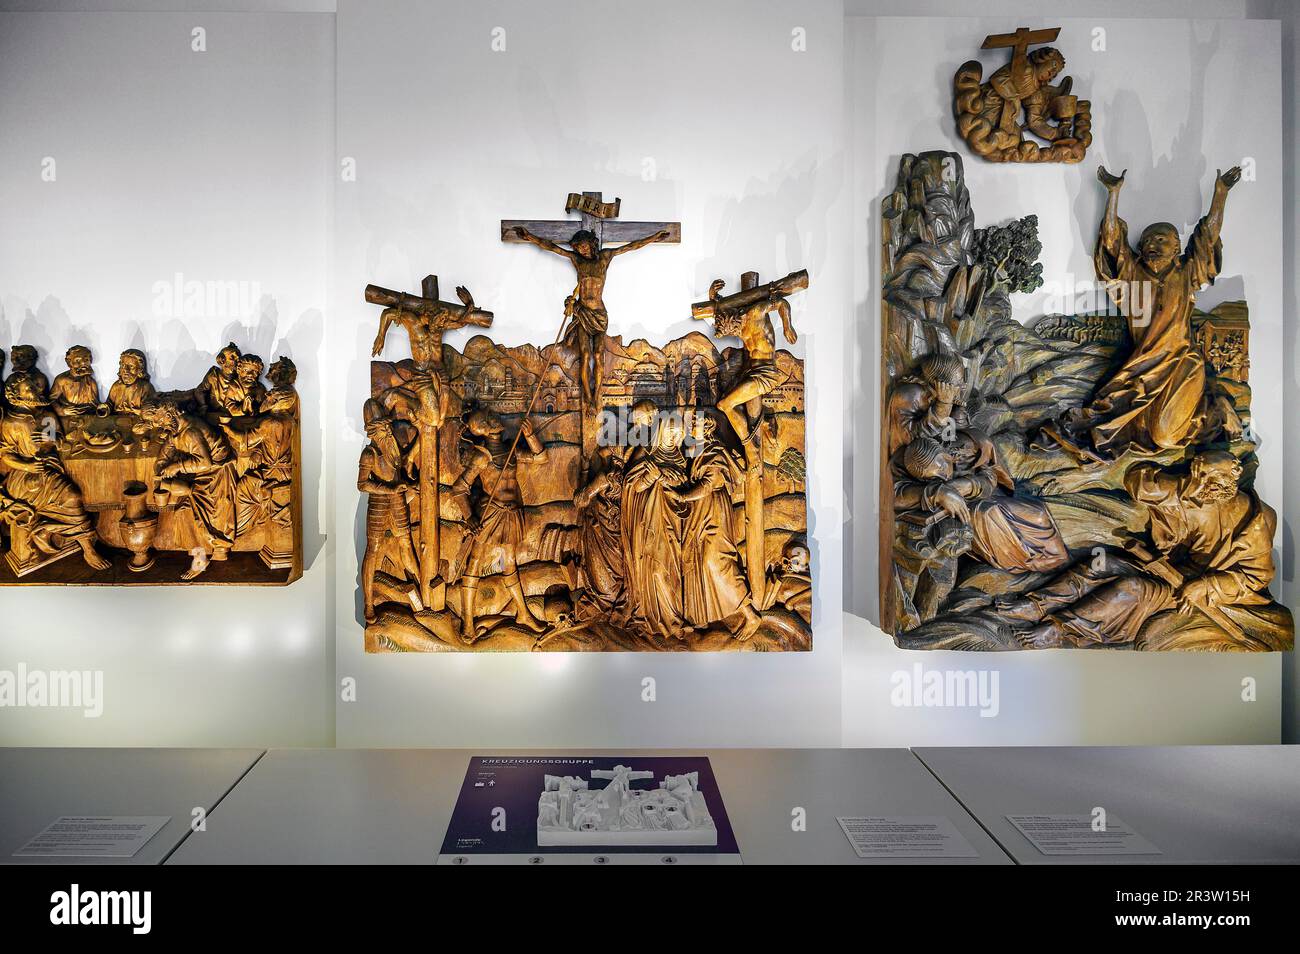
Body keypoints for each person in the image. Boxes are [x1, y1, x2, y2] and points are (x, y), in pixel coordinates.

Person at [1012, 452, 1286, 649]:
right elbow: (1139, 483)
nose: (1194, 483)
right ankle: (1037, 604)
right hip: (1171, 571)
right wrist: (1176, 487)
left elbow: (1256, 577)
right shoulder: (1189, 494)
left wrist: (1206, 586)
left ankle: (1059, 629)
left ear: (1219, 484)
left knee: (1133, 589)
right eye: (1193, 476)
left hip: (1196, 592)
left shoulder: (1258, 521)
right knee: (1103, 562)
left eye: (1200, 478)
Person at [1062, 166, 1241, 456]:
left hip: (1182, 362)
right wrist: (1113, 195)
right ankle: (1209, 408)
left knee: (1166, 438)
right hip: (1143, 367)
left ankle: (1215, 408)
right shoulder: (1132, 276)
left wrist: (1220, 193)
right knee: (1109, 422)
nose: (1152, 245)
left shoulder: (1186, 274)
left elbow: (1208, 237)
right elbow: (1112, 241)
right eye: (1147, 241)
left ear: (1176, 247)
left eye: (1161, 239)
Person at [511, 225, 671, 401]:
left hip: (599, 315)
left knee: (598, 355)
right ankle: (587, 396)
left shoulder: (605, 258)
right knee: (585, 355)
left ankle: (597, 396)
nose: (582, 250)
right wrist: (530, 236)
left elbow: (631, 246)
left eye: (584, 246)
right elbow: (552, 247)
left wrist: (654, 237)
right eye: (578, 248)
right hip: (582, 313)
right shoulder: (577, 260)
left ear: (591, 243)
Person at [449, 410, 548, 643]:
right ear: (485, 427)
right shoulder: (482, 457)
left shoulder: (511, 450)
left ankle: (523, 614)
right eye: (492, 418)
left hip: (510, 515)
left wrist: (531, 435)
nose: (498, 420)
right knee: (474, 563)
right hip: (490, 515)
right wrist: (469, 517)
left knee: (509, 564)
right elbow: (459, 488)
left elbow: (541, 458)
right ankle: (468, 623)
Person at [0, 375, 110, 571]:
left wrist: (48, 437)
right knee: (72, 497)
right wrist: (28, 466)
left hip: (50, 468)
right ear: (15, 396)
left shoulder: (45, 414)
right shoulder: (11, 423)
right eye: (28, 389)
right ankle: (87, 549)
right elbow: (6, 456)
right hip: (26, 476)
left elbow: (59, 441)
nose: (35, 390)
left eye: (33, 385)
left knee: (74, 495)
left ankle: (45, 530)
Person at [673, 410, 759, 639]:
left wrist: (681, 497)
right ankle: (701, 617)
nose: (692, 431)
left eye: (696, 427)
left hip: (713, 513)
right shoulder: (694, 452)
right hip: (699, 513)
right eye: (691, 427)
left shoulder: (714, 453)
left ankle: (750, 614)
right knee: (697, 562)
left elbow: (707, 486)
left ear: (708, 430)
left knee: (715, 562)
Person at [138, 399, 237, 580]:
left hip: (215, 477)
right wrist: (160, 467)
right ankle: (201, 554)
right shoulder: (177, 428)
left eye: (159, 422)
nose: (158, 426)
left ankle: (201, 559)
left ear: (169, 415)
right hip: (202, 474)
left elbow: (205, 463)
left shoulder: (190, 432)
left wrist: (177, 467)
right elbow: (167, 450)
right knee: (183, 505)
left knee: (186, 512)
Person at [620, 402, 690, 640]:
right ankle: (659, 618)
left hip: (672, 525)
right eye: (670, 433)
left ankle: (674, 616)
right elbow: (632, 486)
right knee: (656, 571)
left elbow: (684, 488)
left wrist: (665, 479)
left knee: (672, 572)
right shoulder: (647, 453)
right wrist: (652, 478)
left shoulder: (680, 460)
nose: (674, 439)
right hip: (649, 524)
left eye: (678, 435)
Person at [357, 406, 420, 623]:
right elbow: (362, 484)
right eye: (384, 426)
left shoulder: (392, 448)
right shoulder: (370, 454)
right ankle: (368, 603)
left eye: (388, 424)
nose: (389, 428)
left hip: (398, 501)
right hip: (379, 504)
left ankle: (421, 591)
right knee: (372, 551)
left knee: (406, 545)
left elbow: (400, 467)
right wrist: (389, 489)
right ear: (374, 430)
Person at [572, 445, 626, 617]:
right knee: (610, 578)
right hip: (607, 533)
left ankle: (605, 602)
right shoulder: (616, 478)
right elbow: (583, 499)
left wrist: (585, 472)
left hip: (606, 536)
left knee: (606, 580)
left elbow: (581, 500)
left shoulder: (608, 478)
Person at [49, 345, 104, 421]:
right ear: (69, 362)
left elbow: (95, 403)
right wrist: (62, 410)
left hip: (88, 416)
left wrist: (103, 408)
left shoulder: (90, 382)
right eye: (77, 361)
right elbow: (51, 399)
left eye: (86, 359)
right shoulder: (62, 380)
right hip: (70, 417)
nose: (83, 364)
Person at [107, 349, 157, 414]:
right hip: (116, 420)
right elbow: (110, 403)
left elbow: (150, 411)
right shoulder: (116, 386)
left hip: (136, 421)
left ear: (140, 369)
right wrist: (106, 407)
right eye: (123, 366)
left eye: (131, 366)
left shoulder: (145, 388)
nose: (126, 370)